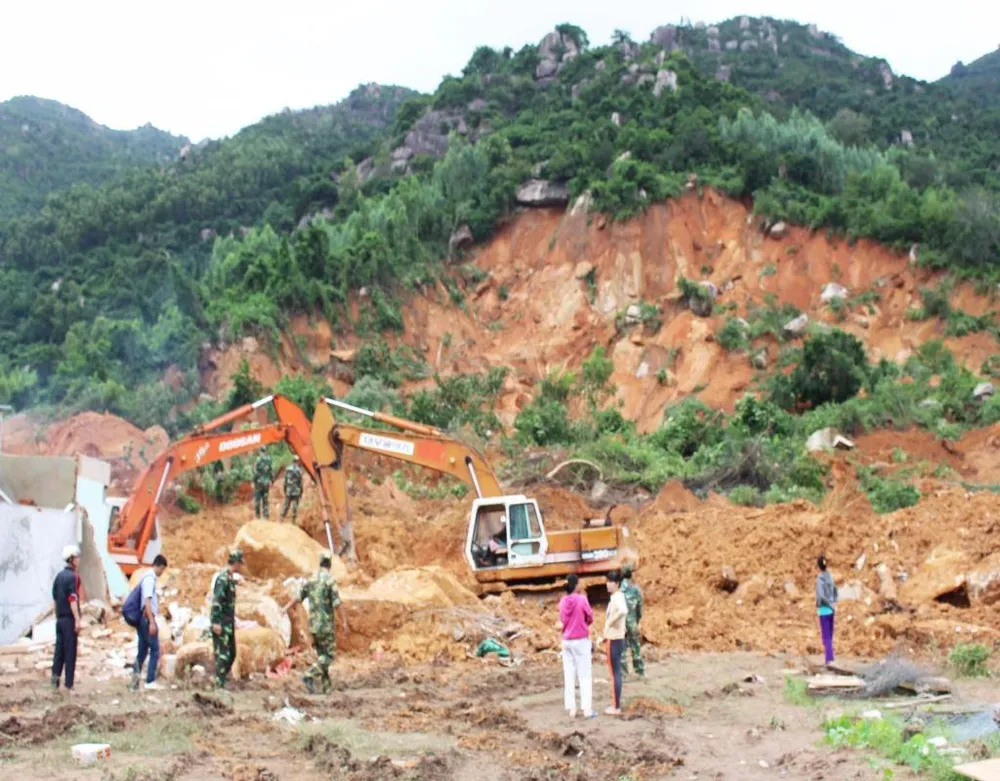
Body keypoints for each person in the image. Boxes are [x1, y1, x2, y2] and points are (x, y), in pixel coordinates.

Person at [283, 552, 348, 694]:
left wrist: (285, 608)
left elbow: (298, 597)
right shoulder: (329, 581)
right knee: (329, 656)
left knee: (322, 657)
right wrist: (344, 622)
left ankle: (326, 689)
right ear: (329, 564)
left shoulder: (311, 580)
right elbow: (337, 603)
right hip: (325, 625)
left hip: (313, 625)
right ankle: (309, 675)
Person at [558, 574, 595, 719]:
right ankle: (586, 709)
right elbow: (590, 617)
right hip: (580, 640)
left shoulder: (562, 602)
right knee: (584, 674)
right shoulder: (582, 599)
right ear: (576, 586)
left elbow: (562, 619)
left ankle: (572, 708)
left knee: (569, 675)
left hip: (567, 641)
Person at [130, 555, 168, 691]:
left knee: (142, 651)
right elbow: (147, 601)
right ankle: (150, 680)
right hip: (146, 618)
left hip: (144, 619)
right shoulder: (149, 579)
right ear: (160, 566)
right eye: (162, 570)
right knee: (155, 649)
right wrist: (152, 622)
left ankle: (134, 682)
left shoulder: (147, 577)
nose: (162, 573)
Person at [51, 545, 82, 692]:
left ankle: (54, 681)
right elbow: (73, 599)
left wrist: (57, 615)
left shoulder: (58, 576)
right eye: (77, 557)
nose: (79, 560)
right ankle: (69, 684)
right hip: (69, 620)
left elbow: (55, 598)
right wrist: (77, 619)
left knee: (59, 651)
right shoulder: (73, 577)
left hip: (60, 619)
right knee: (70, 652)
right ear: (72, 559)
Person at [211, 550, 242, 689]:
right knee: (223, 655)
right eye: (239, 564)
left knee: (232, 653)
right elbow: (217, 601)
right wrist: (216, 622)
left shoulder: (229, 579)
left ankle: (221, 679)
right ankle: (219, 685)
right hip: (222, 623)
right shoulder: (222, 579)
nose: (240, 567)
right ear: (235, 563)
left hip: (228, 623)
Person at [603, 570, 628, 716]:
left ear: (617, 584)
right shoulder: (618, 596)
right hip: (618, 638)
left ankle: (616, 706)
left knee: (614, 673)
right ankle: (616, 704)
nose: (608, 584)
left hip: (614, 639)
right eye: (607, 581)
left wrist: (610, 622)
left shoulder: (617, 598)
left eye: (610, 582)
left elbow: (623, 611)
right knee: (616, 672)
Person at [621, 564, 645, 678]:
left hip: (621, 623)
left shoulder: (619, 590)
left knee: (622, 647)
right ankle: (639, 671)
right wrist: (636, 620)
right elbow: (640, 608)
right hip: (632, 622)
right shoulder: (636, 589)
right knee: (635, 646)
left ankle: (623, 672)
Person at [816, 555, 839, 666]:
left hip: (824, 610)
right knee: (830, 634)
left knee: (826, 636)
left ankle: (829, 659)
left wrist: (828, 604)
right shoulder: (830, 577)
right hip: (831, 610)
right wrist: (834, 603)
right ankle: (830, 658)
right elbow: (835, 590)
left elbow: (821, 596)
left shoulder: (820, 579)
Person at [281, 456, 304, 523]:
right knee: (295, 505)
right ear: (297, 461)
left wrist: (285, 489)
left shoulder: (288, 469)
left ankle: (282, 518)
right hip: (296, 491)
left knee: (286, 504)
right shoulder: (299, 470)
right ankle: (293, 520)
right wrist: (301, 491)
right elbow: (300, 482)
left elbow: (285, 481)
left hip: (289, 490)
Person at [253, 451, 274, 519]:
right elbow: (271, 471)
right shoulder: (269, 460)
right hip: (266, 484)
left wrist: (253, 481)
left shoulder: (258, 459)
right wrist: (272, 481)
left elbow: (255, 472)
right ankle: (266, 516)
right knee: (265, 500)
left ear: (261, 452)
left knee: (257, 500)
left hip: (259, 484)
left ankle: (258, 516)